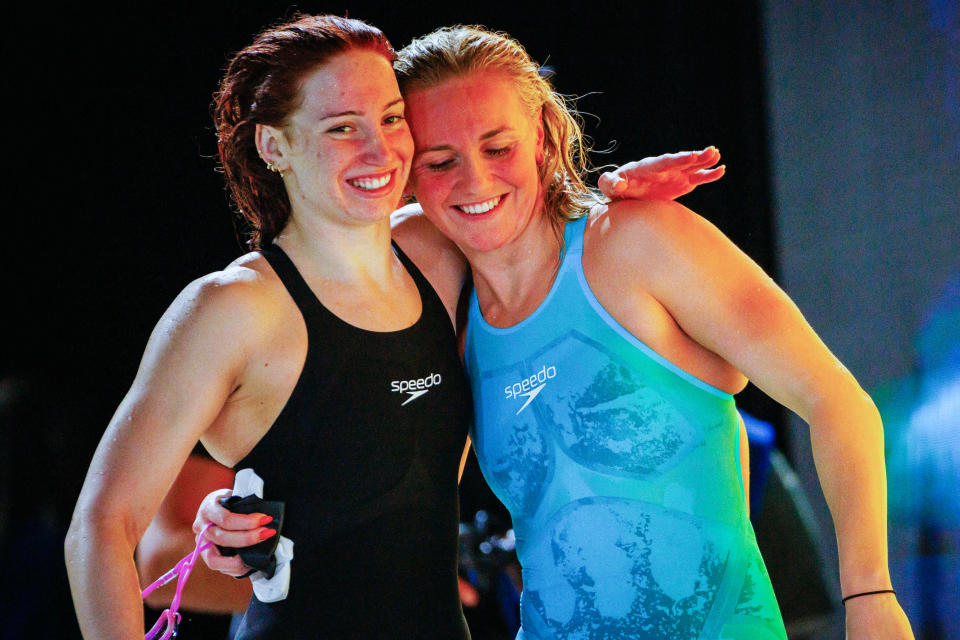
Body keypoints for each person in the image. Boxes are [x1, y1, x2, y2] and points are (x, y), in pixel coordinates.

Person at [64, 14, 719, 640]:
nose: (379, 149)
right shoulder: (233, 308)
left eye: (391, 118)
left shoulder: (437, 254)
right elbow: (102, 529)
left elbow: (514, 200)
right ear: (274, 145)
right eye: (342, 128)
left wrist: (605, 200)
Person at [389, 25, 915, 640]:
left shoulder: (636, 242)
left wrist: (871, 596)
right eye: (441, 161)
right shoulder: (447, 311)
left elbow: (836, 401)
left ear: (541, 136)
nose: (474, 181)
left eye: (497, 147)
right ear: (409, 174)